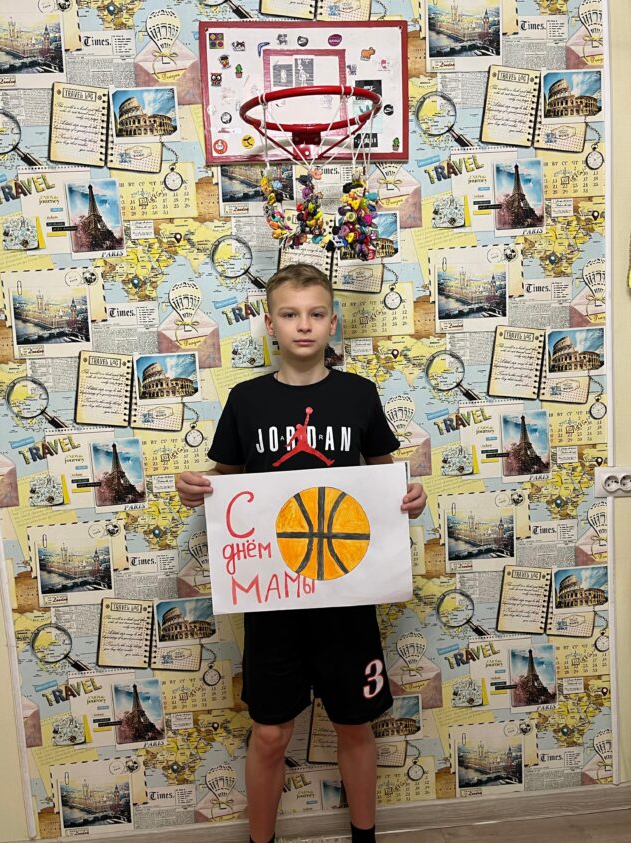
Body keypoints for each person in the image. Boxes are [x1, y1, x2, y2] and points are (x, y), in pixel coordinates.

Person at [176, 264, 427, 843]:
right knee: (270, 733)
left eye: (316, 314)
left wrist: (409, 498)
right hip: (274, 602)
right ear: (270, 324)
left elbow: (384, 479)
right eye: (290, 314)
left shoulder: (359, 394)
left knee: (355, 724)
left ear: (333, 322)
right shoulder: (246, 400)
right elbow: (224, 480)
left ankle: (364, 837)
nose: (304, 325)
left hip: (347, 597)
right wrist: (196, 488)